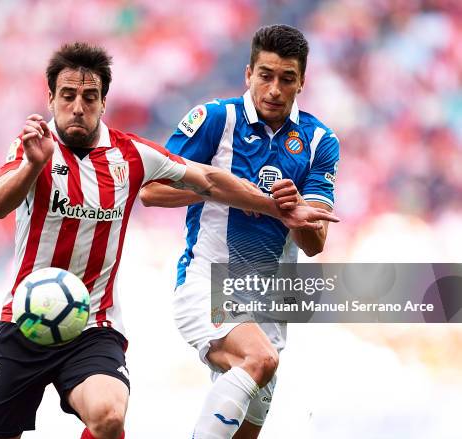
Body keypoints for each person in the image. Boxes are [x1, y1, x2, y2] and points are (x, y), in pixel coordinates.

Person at [0, 41, 338, 439]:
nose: (78, 106)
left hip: (94, 324)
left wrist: (276, 208)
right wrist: (32, 165)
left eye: (89, 96)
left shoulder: (132, 154)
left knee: (110, 417)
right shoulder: (33, 147)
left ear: (104, 101)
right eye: (68, 95)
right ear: (51, 98)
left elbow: (210, 179)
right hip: (25, 321)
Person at [140, 24, 340, 439]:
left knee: (247, 424)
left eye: (287, 79)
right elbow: (151, 190)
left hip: (270, 300)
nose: (274, 89)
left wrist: (294, 209)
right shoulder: (216, 120)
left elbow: (315, 242)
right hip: (207, 281)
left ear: (302, 81)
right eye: (265, 75)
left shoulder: (320, 140)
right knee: (260, 359)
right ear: (248, 73)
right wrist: (219, 187)